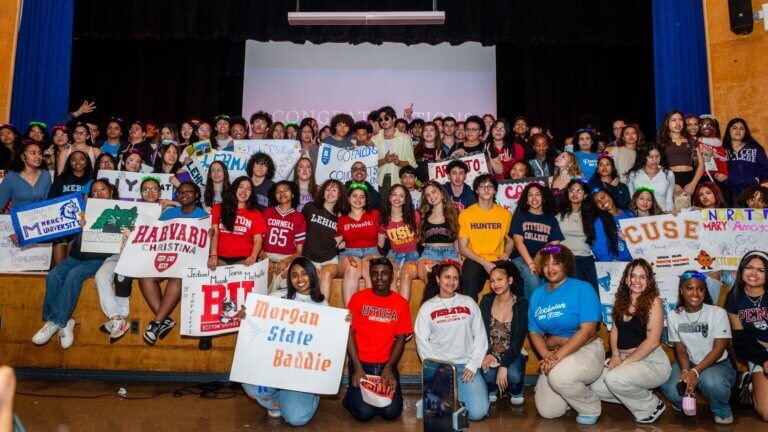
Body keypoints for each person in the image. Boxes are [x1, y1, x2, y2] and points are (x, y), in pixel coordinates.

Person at [31, 179, 117, 349]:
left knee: (74, 275)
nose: (98, 193)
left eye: (102, 190)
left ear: (111, 192)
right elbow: (57, 228)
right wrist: (80, 226)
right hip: (76, 255)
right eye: (94, 191)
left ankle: (55, 321)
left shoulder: (118, 211)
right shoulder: (82, 210)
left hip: (98, 258)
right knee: (54, 275)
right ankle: (64, 321)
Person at [242, 257, 326, 426]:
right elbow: (259, 325)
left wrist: (344, 321)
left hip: (300, 372)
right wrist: (246, 315)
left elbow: (325, 341)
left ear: (312, 275)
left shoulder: (322, 304)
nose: (299, 279)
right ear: (290, 279)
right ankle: (280, 403)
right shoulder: (276, 297)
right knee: (249, 384)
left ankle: (310, 397)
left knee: (296, 418)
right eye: (294, 275)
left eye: (304, 274)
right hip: (274, 364)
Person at [527, 244, 604, 424]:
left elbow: (588, 331)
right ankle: (571, 391)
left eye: (556, 263)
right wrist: (546, 354)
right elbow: (534, 331)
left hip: (586, 349)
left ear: (566, 264)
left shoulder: (582, 288)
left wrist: (557, 355)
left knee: (558, 377)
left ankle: (590, 406)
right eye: (546, 264)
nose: (550, 268)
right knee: (549, 411)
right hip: (554, 353)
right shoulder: (538, 294)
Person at [590, 259, 670, 424]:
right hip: (624, 358)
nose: (637, 281)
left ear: (649, 281)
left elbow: (653, 342)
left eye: (642, 277)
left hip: (651, 360)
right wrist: (615, 355)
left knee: (614, 379)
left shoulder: (654, 302)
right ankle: (639, 394)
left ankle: (652, 405)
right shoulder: (620, 299)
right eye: (633, 276)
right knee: (595, 386)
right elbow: (615, 330)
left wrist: (624, 365)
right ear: (626, 279)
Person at [415, 260, 490, 420]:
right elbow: (422, 341)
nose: (451, 282)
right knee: (438, 415)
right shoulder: (427, 307)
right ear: (438, 279)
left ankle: (457, 396)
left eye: (455, 278)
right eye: (447, 277)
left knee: (478, 413)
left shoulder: (468, 302)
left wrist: (473, 364)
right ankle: (447, 397)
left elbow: (481, 336)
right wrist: (435, 367)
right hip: (441, 368)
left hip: (466, 367)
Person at [660, 270, 736, 424]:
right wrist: (686, 372)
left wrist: (695, 372)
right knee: (669, 384)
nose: (695, 293)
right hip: (689, 362)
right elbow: (680, 349)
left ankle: (721, 409)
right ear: (682, 290)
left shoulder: (718, 313)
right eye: (689, 288)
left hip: (716, 364)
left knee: (712, 381)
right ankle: (681, 402)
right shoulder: (674, 316)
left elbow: (718, 349)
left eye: (700, 289)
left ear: (704, 291)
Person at [139, 182, 209, 346]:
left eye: (189, 192)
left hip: (187, 264)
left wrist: (210, 234)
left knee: (177, 278)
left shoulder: (204, 216)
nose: (184, 194)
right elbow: (157, 234)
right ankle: (164, 321)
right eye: (181, 192)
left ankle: (156, 324)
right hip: (167, 259)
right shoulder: (169, 213)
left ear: (196, 195)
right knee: (144, 278)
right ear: (177, 196)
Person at [344, 257, 412, 422]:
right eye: (374, 274)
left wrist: (389, 368)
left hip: (385, 366)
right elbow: (349, 334)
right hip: (361, 364)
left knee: (391, 412)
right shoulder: (358, 299)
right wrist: (358, 368)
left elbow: (401, 339)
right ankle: (350, 398)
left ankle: (372, 398)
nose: (379, 278)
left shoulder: (401, 304)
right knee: (365, 414)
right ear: (369, 275)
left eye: (384, 274)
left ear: (392, 276)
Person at [93, 178, 156, 343]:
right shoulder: (103, 210)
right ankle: (116, 319)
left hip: (138, 256)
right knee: (101, 276)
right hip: (114, 254)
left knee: (122, 275)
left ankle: (118, 317)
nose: (150, 192)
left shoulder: (158, 209)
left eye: (154, 189)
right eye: (146, 189)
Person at [726, 251, 768, 422]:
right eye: (749, 267)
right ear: (742, 270)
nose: (753, 273)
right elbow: (740, 339)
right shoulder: (734, 297)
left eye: (761, 270)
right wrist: (764, 359)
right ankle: (750, 382)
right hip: (757, 353)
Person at [479, 261, 528, 406]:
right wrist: (487, 353)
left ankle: (516, 389)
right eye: (492, 281)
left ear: (510, 280)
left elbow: (518, 340)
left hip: (513, 353)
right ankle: (491, 388)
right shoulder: (486, 300)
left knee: (513, 374)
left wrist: (504, 365)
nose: (496, 284)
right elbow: (480, 331)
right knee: (487, 374)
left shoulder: (521, 303)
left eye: (500, 279)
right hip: (491, 352)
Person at [457, 174, 513, 301]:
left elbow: (510, 240)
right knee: (467, 278)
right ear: (477, 190)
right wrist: (484, 262)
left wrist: (506, 252)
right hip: (475, 259)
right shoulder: (466, 214)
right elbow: (462, 248)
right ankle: (470, 316)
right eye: (482, 186)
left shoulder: (505, 215)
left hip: (498, 259)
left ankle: (513, 317)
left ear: (494, 190)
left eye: (490, 186)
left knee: (516, 278)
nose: (486, 189)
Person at [510, 182, 563, 299]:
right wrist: (531, 263)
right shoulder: (520, 215)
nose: (534, 198)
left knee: (550, 279)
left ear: (543, 198)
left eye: (538, 194)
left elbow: (555, 243)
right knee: (533, 277)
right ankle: (533, 313)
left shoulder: (551, 219)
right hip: (521, 259)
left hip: (542, 258)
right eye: (530, 195)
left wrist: (540, 260)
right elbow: (518, 242)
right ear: (526, 200)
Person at [336, 184, 380, 305]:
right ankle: (350, 315)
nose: (358, 199)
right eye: (354, 196)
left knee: (371, 269)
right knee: (353, 267)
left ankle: (371, 312)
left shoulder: (375, 214)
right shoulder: (342, 219)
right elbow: (335, 243)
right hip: (350, 252)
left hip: (372, 251)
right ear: (349, 199)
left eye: (362, 197)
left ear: (366, 201)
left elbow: (385, 235)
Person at [302, 179, 347, 299]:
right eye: (327, 189)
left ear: (340, 194)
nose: (330, 193)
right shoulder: (310, 207)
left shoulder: (342, 218)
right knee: (311, 277)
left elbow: (347, 239)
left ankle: (323, 310)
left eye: (334, 190)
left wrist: (339, 245)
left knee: (326, 275)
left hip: (329, 260)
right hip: (308, 257)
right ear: (322, 192)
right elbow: (298, 232)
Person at [260, 181, 306, 292]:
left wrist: (287, 261)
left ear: (293, 193)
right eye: (278, 192)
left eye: (286, 190)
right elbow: (258, 242)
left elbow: (299, 252)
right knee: (265, 279)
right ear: (274, 196)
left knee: (287, 278)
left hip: (288, 258)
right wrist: (265, 258)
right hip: (267, 256)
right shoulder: (267, 212)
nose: (282, 194)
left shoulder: (299, 217)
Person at [378, 184, 419, 301]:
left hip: (412, 255)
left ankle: (403, 312)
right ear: (389, 197)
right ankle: (397, 310)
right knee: (390, 278)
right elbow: (380, 245)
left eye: (401, 196)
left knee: (406, 277)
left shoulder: (414, 215)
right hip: (393, 255)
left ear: (405, 200)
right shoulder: (383, 218)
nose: (397, 198)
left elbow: (421, 238)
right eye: (394, 194)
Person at [557, 179, 599, 290]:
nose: (575, 194)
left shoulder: (591, 215)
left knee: (597, 286)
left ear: (585, 195)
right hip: (568, 257)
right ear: (568, 192)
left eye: (579, 191)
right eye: (572, 190)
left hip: (587, 257)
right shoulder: (558, 213)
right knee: (578, 281)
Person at [417, 181, 460, 283]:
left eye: (433, 192)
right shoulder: (422, 215)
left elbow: (457, 239)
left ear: (441, 192)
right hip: (429, 253)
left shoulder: (455, 213)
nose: (431, 196)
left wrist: (458, 256)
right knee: (432, 282)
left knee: (449, 283)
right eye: (427, 195)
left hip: (450, 253)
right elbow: (420, 239)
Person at [658, 110, 705, 197]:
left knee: (692, 210)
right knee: (672, 210)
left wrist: (693, 183)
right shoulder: (661, 142)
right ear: (667, 123)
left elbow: (701, 164)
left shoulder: (691, 141)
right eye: (674, 120)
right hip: (669, 179)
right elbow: (657, 166)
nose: (678, 122)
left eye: (680, 119)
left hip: (690, 179)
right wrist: (672, 184)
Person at [372, 106, 417, 195]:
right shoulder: (374, 140)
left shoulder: (405, 139)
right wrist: (384, 160)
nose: (383, 121)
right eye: (380, 119)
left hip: (399, 180)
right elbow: (370, 165)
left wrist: (399, 162)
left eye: (386, 118)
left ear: (394, 119)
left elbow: (411, 163)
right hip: (379, 181)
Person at [723, 118, 768, 206]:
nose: (738, 131)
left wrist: (758, 178)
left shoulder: (756, 149)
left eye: (742, 128)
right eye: (734, 128)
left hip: (752, 193)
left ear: (746, 132)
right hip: (730, 192)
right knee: (734, 219)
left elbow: (765, 168)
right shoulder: (722, 150)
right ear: (729, 131)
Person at [0, 142, 52, 212]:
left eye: (40, 153)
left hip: (40, 220)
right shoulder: (11, 177)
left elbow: (47, 203)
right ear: (22, 157)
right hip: (17, 220)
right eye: (33, 153)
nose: (38, 156)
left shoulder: (46, 175)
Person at [627, 142, 676, 212]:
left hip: (662, 214)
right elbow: (631, 198)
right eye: (650, 157)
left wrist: (671, 211)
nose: (654, 160)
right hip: (640, 217)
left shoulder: (668, 174)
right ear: (644, 157)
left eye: (657, 156)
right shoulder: (634, 174)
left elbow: (669, 199)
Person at [591, 187, 633, 262]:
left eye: (603, 197)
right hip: (617, 265)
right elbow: (601, 251)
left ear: (610, 194)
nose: (602, 203)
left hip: (636, 260)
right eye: (598, 202)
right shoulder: (599, 222)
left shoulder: (630, 214)